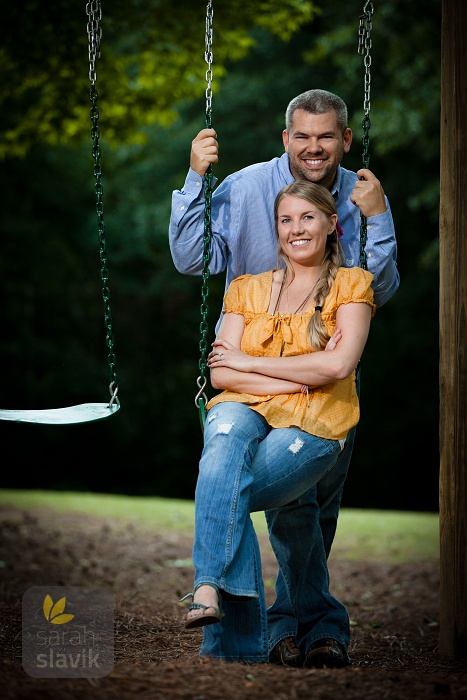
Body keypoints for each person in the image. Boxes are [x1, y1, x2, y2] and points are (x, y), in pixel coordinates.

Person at [169, 89, 399, 666]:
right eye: (302, 136)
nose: (314, 147)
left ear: (345, 139)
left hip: (315, 381)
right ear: (286, 139)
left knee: (313, 510)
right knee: (274, 498)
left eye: (326, 136)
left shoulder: (360, 195)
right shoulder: (245, 188)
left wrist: (379, 217)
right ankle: (301, 628)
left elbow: (377, 290)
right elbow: (194, 257)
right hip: (251, 379)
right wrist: (196, 178)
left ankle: (283, 623)